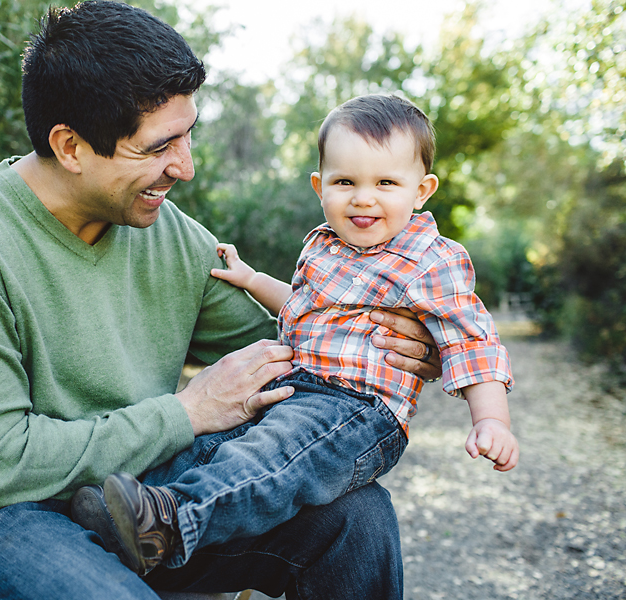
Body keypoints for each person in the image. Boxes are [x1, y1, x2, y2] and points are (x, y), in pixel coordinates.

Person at [0, 3, 440, 599]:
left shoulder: (174, 237)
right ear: (70, 146)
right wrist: (187, 413)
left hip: (137, 500)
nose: (186, 166)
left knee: (357, 518)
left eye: (188, 134)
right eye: (158, 147)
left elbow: (299, 353)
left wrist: (401, 340)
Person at [85, 94, 518, 578]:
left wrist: (491, 420)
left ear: (422, 190)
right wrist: (252, 280)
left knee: (271, 460)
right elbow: (300, 308)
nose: (363, 197)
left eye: (386, 183)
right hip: (297, 386)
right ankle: (121, 507)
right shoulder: (323, 245)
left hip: (357, 409)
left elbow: (471, 341)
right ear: (320, 185)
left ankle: (172, 525)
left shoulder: (432, 258)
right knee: (218, 443)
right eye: (345, 181)